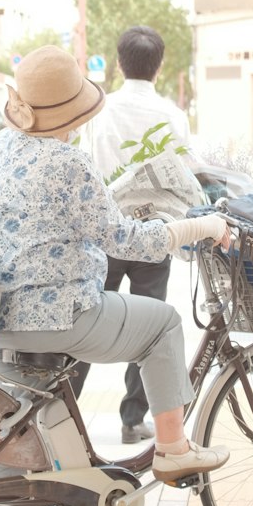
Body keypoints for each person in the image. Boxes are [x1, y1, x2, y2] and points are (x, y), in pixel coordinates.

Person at [0, 46, 230, 506]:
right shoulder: (69, 161)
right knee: (164, 324)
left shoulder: (3, 145)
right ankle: (173, 448)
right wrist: (202, 226)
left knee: (13, 424)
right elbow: (124, 238)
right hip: (61, 315)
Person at [73, 25, 192, 442]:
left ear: (120, 62)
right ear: (158, 68)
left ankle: (63, 418)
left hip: (103, 233)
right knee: (151, 326)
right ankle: (132, 420)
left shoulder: (97, 111)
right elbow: (184, 176)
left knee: (84, 322)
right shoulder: (174, 117)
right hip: (152, 235)